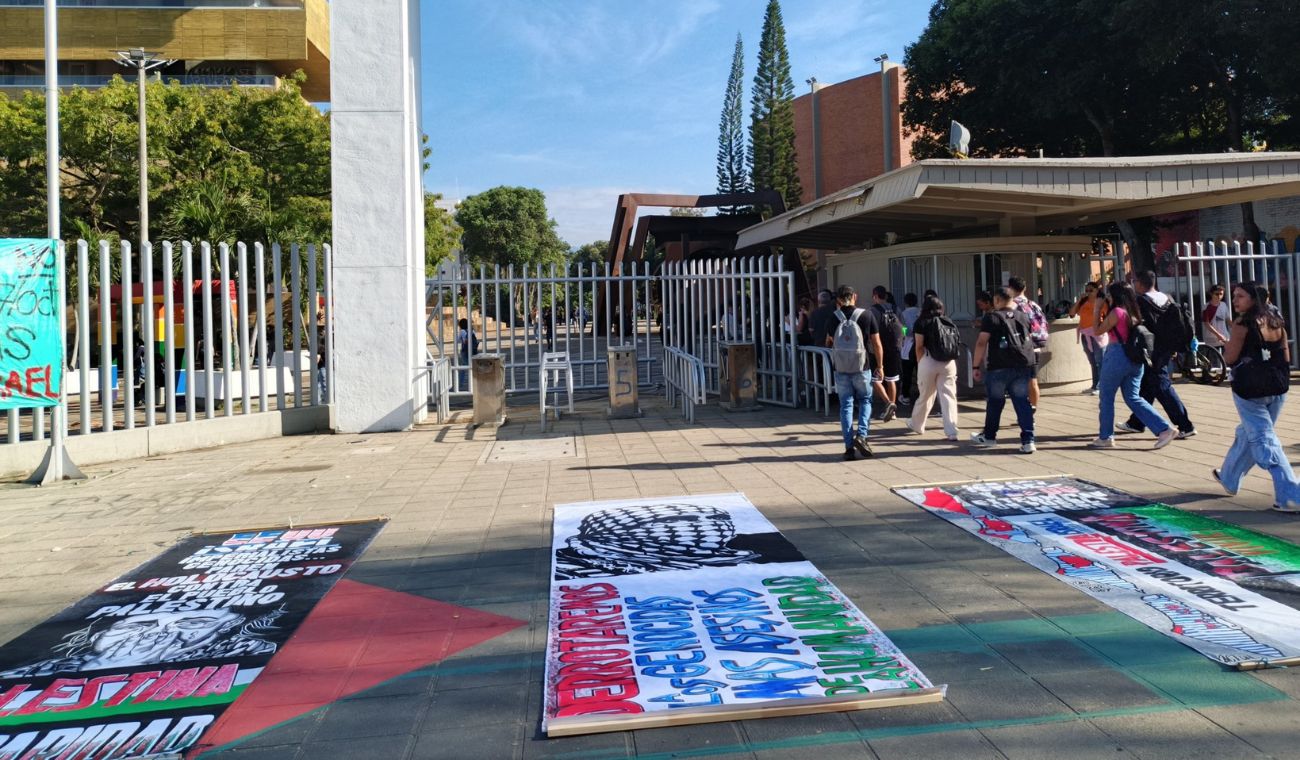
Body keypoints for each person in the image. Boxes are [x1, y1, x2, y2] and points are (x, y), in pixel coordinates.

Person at [1214, 282, 1300, 511]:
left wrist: (1228, 345)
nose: (1235, 301)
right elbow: (1285, 353)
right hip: (1277, 386)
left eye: (1240, 296)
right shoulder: (1275, 318)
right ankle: (1229, 477)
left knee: (1263, 440)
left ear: (1254, 298)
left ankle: (1291, 494)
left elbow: (1230, 358)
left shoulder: (1243, 323)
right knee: (1248, 433)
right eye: (1234, 296)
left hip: (1249, 390)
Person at [1089, 281, 1176, 450]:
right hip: (1135, 359)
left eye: (1109, 294)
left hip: (1116, 356)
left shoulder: (1117, 312)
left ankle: (1106, 436)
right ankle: (1164, 428)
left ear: (1115, 296)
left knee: (1106, 398)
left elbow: (1097, 331)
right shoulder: (1133, 312)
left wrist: (1097, 308)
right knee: (1133, 397)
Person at [1116, 271, 1196, 438]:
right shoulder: (1167, 298)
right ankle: (1136, 422)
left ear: (1140, 283)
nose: (1134, 284)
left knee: (1161, 386)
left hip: (1151, 350)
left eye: (1135, 281)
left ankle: (1185, 425)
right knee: (1147, 385)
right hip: (1165, 348)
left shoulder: (1141, 301)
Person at [971, 287, 1036, 453]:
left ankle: (990, 436)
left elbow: (981, 342)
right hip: (1022, 366)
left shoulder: (992, 317)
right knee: (1022, 402)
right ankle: (1028, 440)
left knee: (995, 402)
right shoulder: (1023, 316)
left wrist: (976, 366)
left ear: (998, 300)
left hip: (998, 366)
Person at [827, 285, 883, 461]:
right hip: (862, 366)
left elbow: (828, 342)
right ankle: (862, 435)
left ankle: (848, 448)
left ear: (838, 300)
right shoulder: (866, 315)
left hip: (841, 368)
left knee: (846, 405)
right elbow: (876, 343)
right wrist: (880, 366)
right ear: (854, 296)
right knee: (865, 400)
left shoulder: (833, 318)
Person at [906, 295, 960, 440]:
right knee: (949, 396)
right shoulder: (947, 320)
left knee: (925, 394)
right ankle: (951, 431)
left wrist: (920, 363)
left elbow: (919, 346)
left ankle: (917, 424)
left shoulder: (921, 322)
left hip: (929, 360)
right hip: (949, 362)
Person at [1008, 276, 1048, 410]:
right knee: (1033, 381)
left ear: (1010, 288)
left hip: (1020, 348)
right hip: (1035, 347)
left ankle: (1024, 412)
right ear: (1024, 288)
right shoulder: (1033, 305)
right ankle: (1033, 408)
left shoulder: (1012, 306)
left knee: (1018, 383)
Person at [1069, 281, 1108, 395]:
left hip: (1098, 335)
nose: (1088, 293)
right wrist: (1079, 301)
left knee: (1100, 361)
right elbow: (1071, 313)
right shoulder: (1083, 302)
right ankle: (1095, 385)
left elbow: (1108, 316)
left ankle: (1101, 386)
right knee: (1092, 362)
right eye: (1086, 290)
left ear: (1097, 291)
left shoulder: (1101, 303)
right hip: (1085, 334)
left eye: (1091, 290)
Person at [869, 286, 902, 421]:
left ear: (875, 296)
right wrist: (901, 340)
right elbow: (903, 327)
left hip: (878, 349)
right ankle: (892, 411)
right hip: (895, 348)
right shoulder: (896, 309)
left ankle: (888, 403)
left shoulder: (872, 311)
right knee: (891, 379)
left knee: (875, 378)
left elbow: (869, 331)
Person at [899, 292, 921, 405]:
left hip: (907, 346)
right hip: (921, 346)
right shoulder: (920, 312)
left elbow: (904, 330)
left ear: (905, 302)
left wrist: (903, 333)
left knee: (907, 373)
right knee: (920, 372)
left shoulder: (903, 314)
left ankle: (906, 396)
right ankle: (921, 394)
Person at [1202, 284, 1230, 351]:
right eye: (1216, 294)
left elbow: (1228, 320)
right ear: (1211, 294)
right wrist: (1218, 335)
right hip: (1212, 339)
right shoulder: (1206, 307)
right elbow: (1207, 324)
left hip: (1224, 338)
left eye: (1221, 294)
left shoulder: (1223, 305)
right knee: (1213, 359)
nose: (1219, 296)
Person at [456, 317, 477, 388]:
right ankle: (475, 383)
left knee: (463, 368)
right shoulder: (472, 331)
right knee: (473, 367)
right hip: (473, 351)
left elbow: (457, 340)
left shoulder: (462, 331)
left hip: (465, 351)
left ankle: (459, 385)